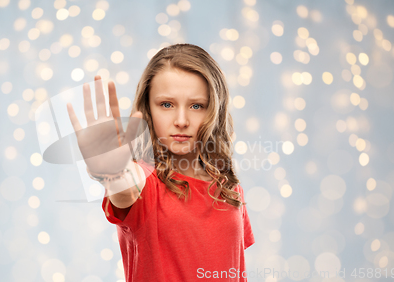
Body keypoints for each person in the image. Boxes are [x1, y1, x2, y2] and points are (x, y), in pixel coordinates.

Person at [67, 43, 255, 282]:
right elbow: (125, 188)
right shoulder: (144, 181)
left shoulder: (229, 187)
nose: (181, 120)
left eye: (196, 106)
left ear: (214, 111)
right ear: (148, 109)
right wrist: (112, 172)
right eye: (167, 104)